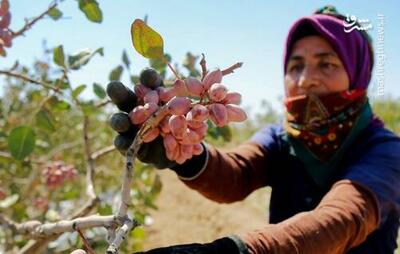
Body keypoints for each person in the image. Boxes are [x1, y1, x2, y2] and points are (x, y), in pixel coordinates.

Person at [107, 6, 400, 254]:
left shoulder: (386, 150)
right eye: (295, 66)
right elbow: (238, 173)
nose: (306, 79)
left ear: (358, 73)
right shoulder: (281, 137)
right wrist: (185, 155)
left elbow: (342, 219)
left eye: (327, 64)